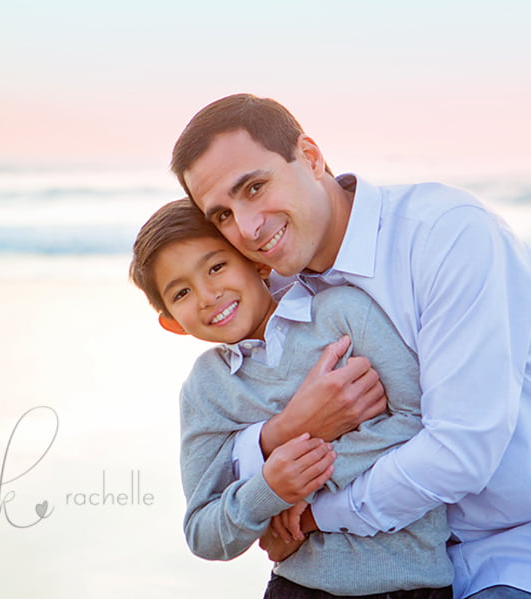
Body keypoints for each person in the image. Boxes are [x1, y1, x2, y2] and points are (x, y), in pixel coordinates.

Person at [168, 93, 531, 599]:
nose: (248, 227)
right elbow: (222, 479)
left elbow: (461, 449)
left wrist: (314, 516)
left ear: (311, 157)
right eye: (223, 215)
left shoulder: (447, 235)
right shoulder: (284, 294)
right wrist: (283, 435)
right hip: (422, 563)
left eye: (254, 187)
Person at [129, 198, 454, 598]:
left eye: (216, 267)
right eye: (181, 293)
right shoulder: (205, 389)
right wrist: (269, 488)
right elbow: (203, 532)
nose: (208, 295)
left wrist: (307, 486)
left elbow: (423, 423)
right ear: (173, 323)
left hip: (411, 584)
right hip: (297, 588)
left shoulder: (343, 314)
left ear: (258, 263)